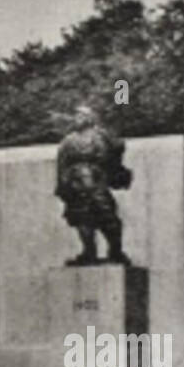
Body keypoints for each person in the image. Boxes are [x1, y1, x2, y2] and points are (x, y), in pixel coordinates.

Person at [55, 106, 132, 265]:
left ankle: (115, 250)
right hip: (76, 183)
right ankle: (89, 252)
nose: (77, 118)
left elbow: (115, 152)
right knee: (81, 218)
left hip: (96, 180)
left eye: (81, 115)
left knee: (109, 217)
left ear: (90, 118)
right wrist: (63, 185)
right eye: (76, 116)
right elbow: (62, 164)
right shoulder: (68, 141)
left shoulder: (101, 136)